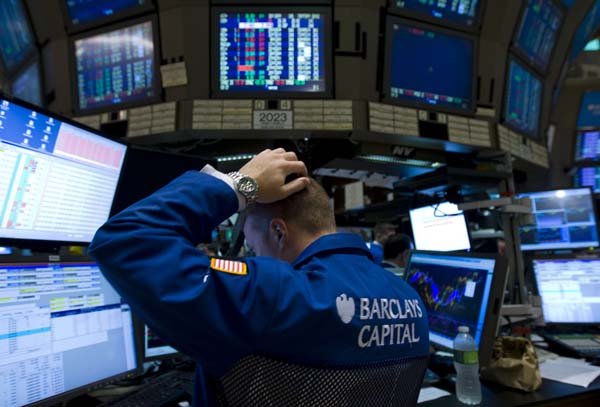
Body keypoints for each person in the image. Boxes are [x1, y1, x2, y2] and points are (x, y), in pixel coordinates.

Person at [89, 148, 429, 406]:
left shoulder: (274, 292)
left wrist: (239, 185)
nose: (253, 255)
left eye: (252, 244)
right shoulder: (409, 299)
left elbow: (124, 240)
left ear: (278, 233)